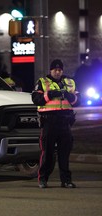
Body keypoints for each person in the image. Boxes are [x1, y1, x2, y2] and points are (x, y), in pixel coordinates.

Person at [32, 59, 81, 189]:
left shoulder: (69, 83)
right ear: (51, 70)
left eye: (60, 70)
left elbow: (79, 101)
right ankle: (43, 179)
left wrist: (70, 97)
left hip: (65, 122)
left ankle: (66, 181)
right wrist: (50, 95)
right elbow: (36, 100)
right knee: (47, 153)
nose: (58, 72)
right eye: (55, 70)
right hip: (49, 122)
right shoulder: (42, 82)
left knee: (64, 154)